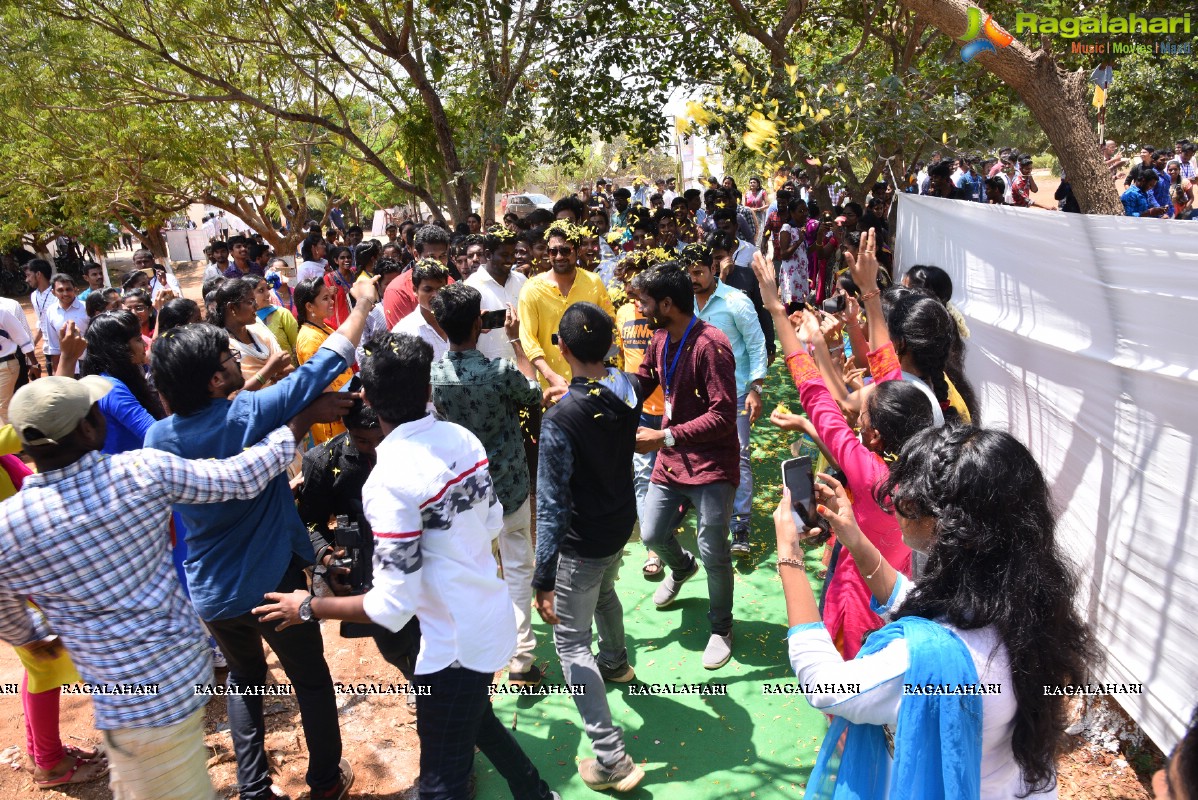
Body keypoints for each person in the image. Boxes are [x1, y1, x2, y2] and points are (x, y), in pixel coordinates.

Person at [253, 332, 562, 800]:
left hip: (451, 646)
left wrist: (309, 607)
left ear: (370, 401)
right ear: (428, 391)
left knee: (440, 786)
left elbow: (394, 605)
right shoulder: (462, 438)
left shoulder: (389, 479)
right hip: (485, 616)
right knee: (477, 721)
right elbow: (494, 520)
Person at [0, 375, 312, 799]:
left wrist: (32, 637)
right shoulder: (140, 471)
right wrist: (295, 425)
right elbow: (240, 477)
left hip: (119, 701)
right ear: (89, 426)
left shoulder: (10, 527)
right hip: (164, 695)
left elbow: (5, 607)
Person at [145, 278, 377, 800]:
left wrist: (295, 413)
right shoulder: (249, 415)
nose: (236, 359)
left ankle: (253, 789)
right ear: (210, 380)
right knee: (311, 681)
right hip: (271, 586)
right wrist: (361, 305)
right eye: (227, 358)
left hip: (211, 594)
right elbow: (325, 363)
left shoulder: (158, 436)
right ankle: (324, 782)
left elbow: (227, 418)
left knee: (245, 680)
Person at [777, 423, 1096, 798]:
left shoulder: (922, 659)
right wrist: (853, 536)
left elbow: (827, 686)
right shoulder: (1027, 600)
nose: (897, 505)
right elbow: (925, 607)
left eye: (905, 498)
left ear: (945, 523)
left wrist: (789, 557)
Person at [531, 303, 645, 792]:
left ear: (563, 349)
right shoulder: (630, 387)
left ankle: (611, 757)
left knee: (570, 643)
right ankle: (616, 661)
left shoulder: (560, 419)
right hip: (619, 523)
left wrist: (542, 578)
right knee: (603, 593)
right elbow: (608, 390)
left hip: (582, 539)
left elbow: (553, 507)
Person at [429, 283, 544, 684]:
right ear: (480, 323)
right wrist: (515, 342)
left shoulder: (436, 374)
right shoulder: (500, 372)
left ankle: (476, 650)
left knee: (475, 573)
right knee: (517, 569)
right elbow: (533, 395)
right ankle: (521, 659)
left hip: (466, 493)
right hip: (509, 487)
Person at [627, 262, 739, 670]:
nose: (640, 306)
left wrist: (664, 436)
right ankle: (681, 567)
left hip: (712, 464)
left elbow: (724, 415)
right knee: (653, 532)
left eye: (646, 300)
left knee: (714, 550)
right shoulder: (659, 339)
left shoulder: (712, 345)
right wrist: (597, 386)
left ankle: (721, 627)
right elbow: (642, 382)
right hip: (673, 459)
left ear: (667, 303)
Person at [686, 245, 767, 559]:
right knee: (700, 455)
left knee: (738, 458)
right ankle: (707, 519)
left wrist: (756, 388)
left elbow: (757, 344)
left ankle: (741, 526)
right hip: (697, 397)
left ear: (712, 268)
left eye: (698, 272)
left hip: (735, 394)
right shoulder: (683, 304)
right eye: (688, 273)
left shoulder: (736, 301)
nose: (693, 279)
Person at [517, 220, 615, 396]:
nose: (559, 256)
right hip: (552, 389)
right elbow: (528, 339)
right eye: (553, 251)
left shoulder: (593, 282)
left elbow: (609, 322)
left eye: (565, 250)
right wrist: (550, 375)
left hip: (591, 387)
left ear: (578, 251)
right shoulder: (532, 289)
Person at [294, 278, 356, 444]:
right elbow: (320, 382)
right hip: (334, 414)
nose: (331, 301)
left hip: (345, 402)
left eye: (330, 297)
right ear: (309, 307)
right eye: (325, 298)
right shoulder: (309, 338)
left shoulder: (324, 327)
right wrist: (343, 412)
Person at [215, 278, 294, 392]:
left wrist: (284, 370)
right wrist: (269, 370)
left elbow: (287, 367)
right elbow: (235, 396)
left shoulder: (258, 330)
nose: (256, 306)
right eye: (250, 301)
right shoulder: (223, 347)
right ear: (232, 308)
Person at [382, 224, 455, 327]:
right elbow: (402, 339)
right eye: (431, 257)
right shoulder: (397, 291)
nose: (437, 262)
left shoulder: (451, 282)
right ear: (416, 255)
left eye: (442, 256)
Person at [392, 259, 451, 362]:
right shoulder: (403, 332)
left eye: (440, 289)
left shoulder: (460, 321)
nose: (436, 295)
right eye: (428, 290)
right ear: (415, 290)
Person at [0, 294, 37, 424]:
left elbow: (23, 338)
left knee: (3, 408)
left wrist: (34, 364)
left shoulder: (4, 310)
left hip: (7, 364)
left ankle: (12, 441)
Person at [45, 274, 89, 375]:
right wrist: (56, 371)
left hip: (88, 364)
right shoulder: (51, 311)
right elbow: (53, 344)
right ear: (53, 292)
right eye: (60, 290)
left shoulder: (87, 308)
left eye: (68, 289)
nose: (65, 293)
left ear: (75, 289)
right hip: (65, 366)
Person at [253, 273, 300, 363]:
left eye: (268, 289)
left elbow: (297, 346)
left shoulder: (282, 314)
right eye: (261, 291)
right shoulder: (246, 321)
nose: (267, 294)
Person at [25, 258, 54, 374]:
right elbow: (42, 323)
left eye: (28, 275)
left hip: (62, 348)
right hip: (48, 349)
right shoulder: (34, 296)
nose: (26, 280)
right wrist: (30, 345)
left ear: (38, 274)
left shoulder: (57, 293)